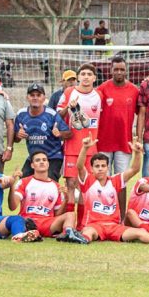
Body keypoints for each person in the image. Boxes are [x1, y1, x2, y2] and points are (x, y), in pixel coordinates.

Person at [75, 136, 149, 245]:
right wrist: (85, 148)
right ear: (92, 169)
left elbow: (134, 169)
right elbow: (80, 166)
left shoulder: (115, 180)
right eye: (97, 166)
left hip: (115, 226)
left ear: (108, 167)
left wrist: (137, 153)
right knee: (88, 232)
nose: (100, 169)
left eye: (103, 166)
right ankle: (81, 239)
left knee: (139, 233)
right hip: (95, 225)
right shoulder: (88, 181)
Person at [8, 151, 86, 243]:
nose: (42, 162)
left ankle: (68, 235)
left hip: (47, 222)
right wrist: (12, 185)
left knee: (71, 215)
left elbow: (57, 214)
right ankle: (30, 233)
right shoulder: (24, 182)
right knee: (22, 222)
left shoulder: (56, 186)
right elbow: (12, 207)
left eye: (44, 160)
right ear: (32, 165)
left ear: (48, 164)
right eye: (38, 160)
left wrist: (66, 199)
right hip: (27, 220)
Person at [95, 55, 139, 213]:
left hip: (123, 143)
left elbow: (142, 113)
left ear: (126, 71)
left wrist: (138, 137)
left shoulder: (134, 90)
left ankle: (120, 216)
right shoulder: (102, 89)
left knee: (121, 181)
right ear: (111, 71)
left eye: (122, 69)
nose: (119, 72)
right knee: (102, 180)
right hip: (103, 142)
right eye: (116, 69)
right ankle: (102, 213)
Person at [57, 63, 103, 198]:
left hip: (91, 149)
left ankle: (84, 219)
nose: (86, 77)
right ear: (78, 77)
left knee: (87, 185)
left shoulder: (99, 95)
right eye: (83, 74)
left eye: (89, 74)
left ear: (94, 78)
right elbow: (58, 115)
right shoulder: (69, 92)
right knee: (71, 184)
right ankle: (71, 217)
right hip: (71, 147)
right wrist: (68, 108)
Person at [13, 82, 71, 181]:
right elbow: (16, 139)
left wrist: (59, 133)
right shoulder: (21, 114)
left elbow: (69, 134)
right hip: (33, 157)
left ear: (44, 98)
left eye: (38, 95)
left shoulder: (51, 114)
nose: (35, 98)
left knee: (48, 182)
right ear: (27, 97)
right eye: (32, 95)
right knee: (23, 182)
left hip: (52, 156)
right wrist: (18, 135)